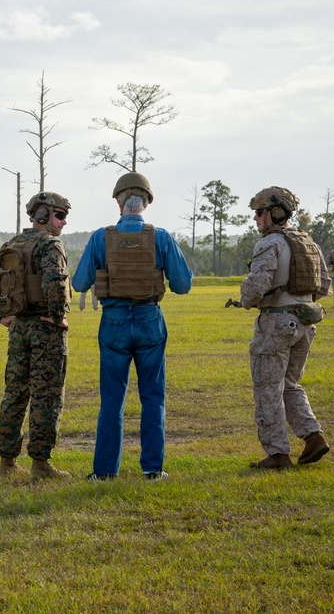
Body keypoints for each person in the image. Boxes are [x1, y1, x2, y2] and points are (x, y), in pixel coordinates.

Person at [72, 171, 193, 482]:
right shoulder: (162, 237)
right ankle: (152, 469)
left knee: (112, 399)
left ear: (118, 201)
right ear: (146, 203)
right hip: (150, 320)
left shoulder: (101, 237)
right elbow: (182, 285)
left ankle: (104, 472)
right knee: (153, 397)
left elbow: (80, 282)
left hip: (112, 323)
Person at [0, 191, 73, 481]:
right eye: (60, 215)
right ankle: (40, 465)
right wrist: (57, 317)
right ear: (44, 215)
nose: (64, 222)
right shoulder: (50, 244)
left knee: (15, 394)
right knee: (47, 396)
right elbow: (55, 281)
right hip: (46, 331)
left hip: (18, 330)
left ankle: (7, 462)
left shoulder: (11, 245)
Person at [240, 186, 331, 469]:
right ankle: (313, 436)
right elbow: (324, 285)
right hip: (305, 323)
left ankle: (278, 453)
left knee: (268, 387)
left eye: (258, 213)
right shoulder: (308, 243)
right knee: (290, 384)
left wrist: (247, 299)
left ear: (272, 213)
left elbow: (257, 285)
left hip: (277, 324)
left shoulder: (270, 243)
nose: (255, 219)